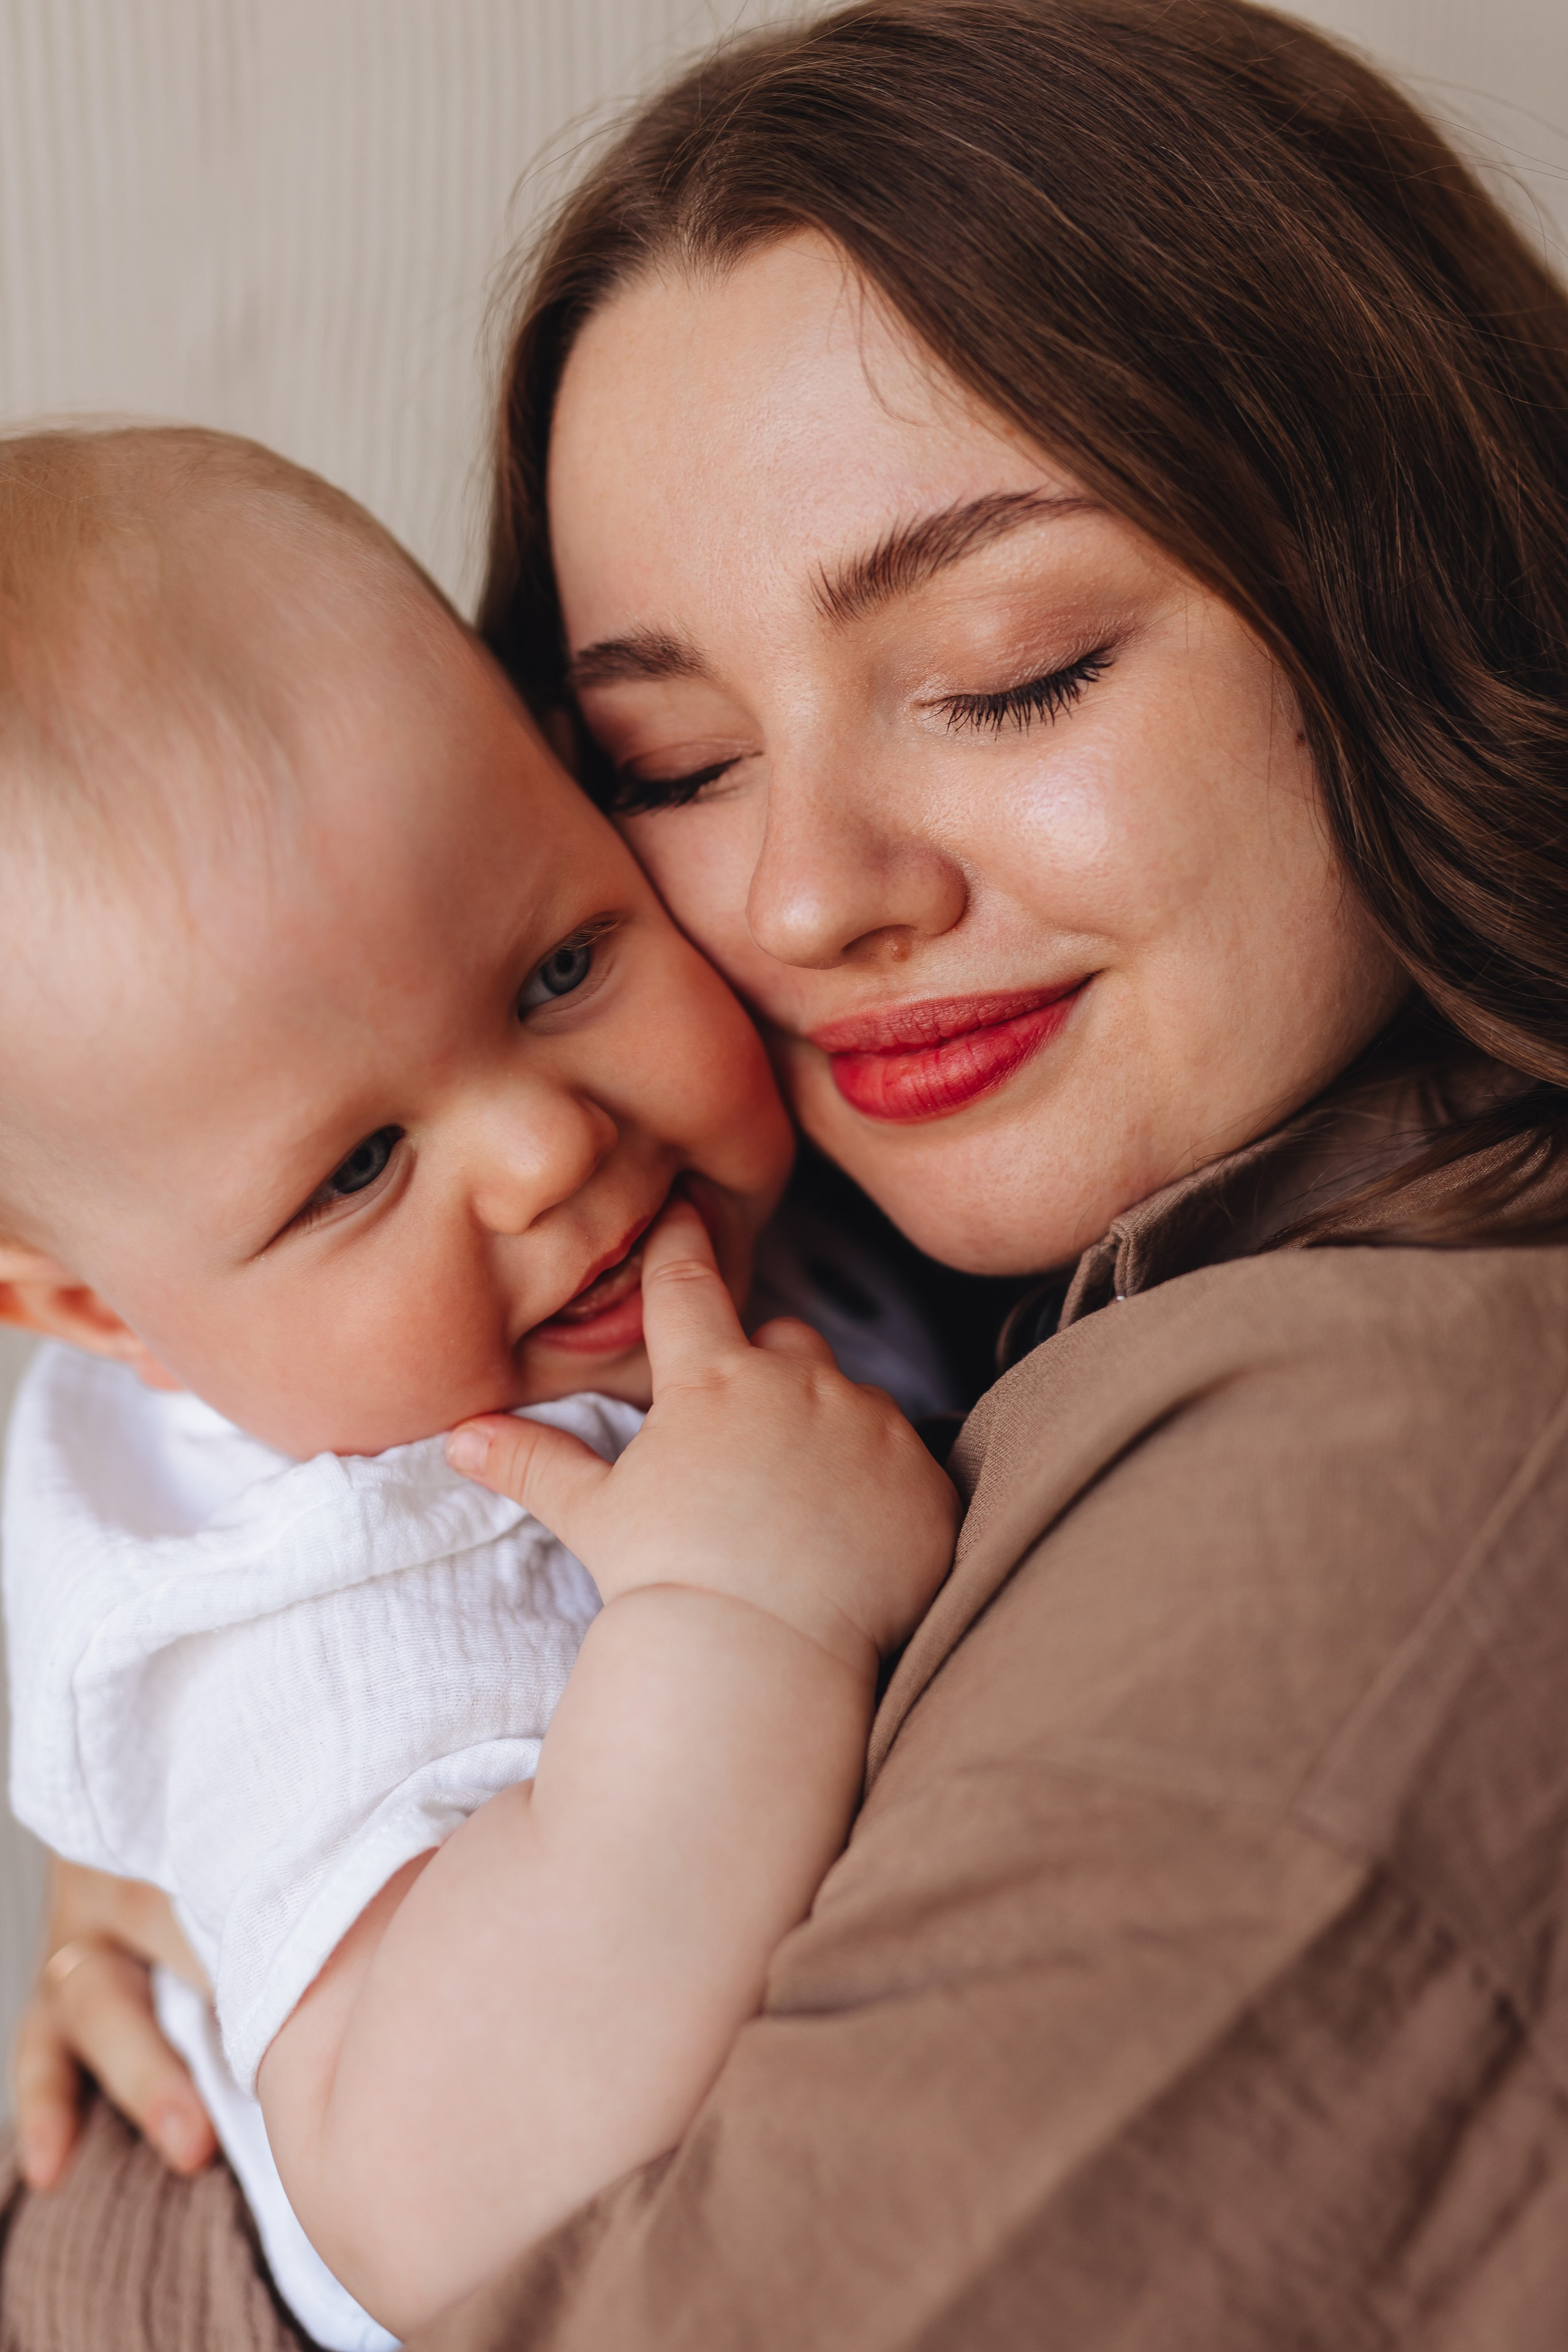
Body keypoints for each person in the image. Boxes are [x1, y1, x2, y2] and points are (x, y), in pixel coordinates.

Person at [8, 0, 1568, 2342]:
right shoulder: (806, 1258)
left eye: (1013, 673)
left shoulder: (1394, 1453)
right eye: (672, 762)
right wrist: (183, 1862)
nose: (815, 898)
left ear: (1410, 575)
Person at [0, 428, 954, 2345]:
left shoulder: (733, 1191)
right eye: (357, 1169)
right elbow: (431, 2199)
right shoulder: (326, 1596)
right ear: (104, 1313)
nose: (545, 1148)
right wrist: (740, 1617)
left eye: (561, 967)